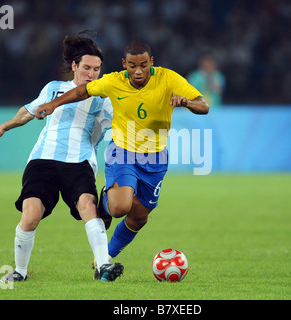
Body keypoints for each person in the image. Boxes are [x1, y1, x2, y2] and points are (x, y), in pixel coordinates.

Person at [35, 40, 209, 275]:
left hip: (155, 158)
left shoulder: (168, 78)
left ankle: (104, 259)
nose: (138, 71)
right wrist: (53, 103)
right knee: (120, 207)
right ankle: (107, 201)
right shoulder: (114, 81)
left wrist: (186, 102)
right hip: (123, 151)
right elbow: (81, 91)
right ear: (124, 64)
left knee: (138, 219)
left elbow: (204, 105)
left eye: (144, 65)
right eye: (133, 66)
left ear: (152, 63)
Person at [0, 31, 123, 283]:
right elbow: (29, 111)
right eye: (87, 67)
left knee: (88, 206)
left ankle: (103, 266)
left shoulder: (104, 98)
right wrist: (6, 125)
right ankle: (20, 271)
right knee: (30, 215)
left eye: (97, 69)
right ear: (74, 66)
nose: (92, 74)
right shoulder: (54, 89)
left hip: (79, 162)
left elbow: (117, 127)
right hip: (43, 160)